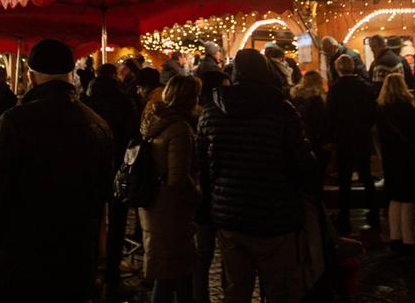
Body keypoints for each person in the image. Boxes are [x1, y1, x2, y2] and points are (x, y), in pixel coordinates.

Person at [0, 39, 115, 302]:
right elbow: (103, 196)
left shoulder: (15, 121)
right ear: (71, 76)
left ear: (31, 77)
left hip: (21, 256)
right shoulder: (98, 125)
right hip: (76, 257)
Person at [198, 48, 318, 303]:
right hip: (275, 215)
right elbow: (302, 163)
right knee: (280, 290)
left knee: (235, 290)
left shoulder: (211, 112)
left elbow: (204, 167)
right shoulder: (282, 110)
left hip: (229, 214)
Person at [139, 75, 202, 303]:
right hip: (171, 209)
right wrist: (198, 197)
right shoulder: (179, 128)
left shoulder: (154, 120)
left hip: (154, 202)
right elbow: (178, 176)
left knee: (174, 270)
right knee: (169, 273)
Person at [82, 61, 139, 299]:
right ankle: (112, 274)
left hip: (89, 170)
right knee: (116, 225)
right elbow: (134, 136)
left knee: (91, 221)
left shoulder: (84, 102)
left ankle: (89, 272)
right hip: (118, 170)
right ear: (115, 77)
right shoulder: (125, 101)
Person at [325, 53, 379, 232]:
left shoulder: (335, 88)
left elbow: (330, 116)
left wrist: (332, 137)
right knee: (367, 177)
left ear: (338, 68)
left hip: (343, 139)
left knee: (345, 181)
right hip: (361, 137)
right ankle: (374, 213)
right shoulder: (365, 86)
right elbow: (373, 112)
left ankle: (344, 217)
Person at [376, 73, 415, 257]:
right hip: (408, 158)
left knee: (394, 198)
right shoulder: (407, 108)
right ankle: (409, 240)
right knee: (408, 199)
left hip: (390, 159)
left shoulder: (382, 109)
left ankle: (395, 238)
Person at [289, 70, 328, 184]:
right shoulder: (316, 98)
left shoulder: (295, 96)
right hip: (314, 139)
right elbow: (319, 122)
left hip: (298, 136)